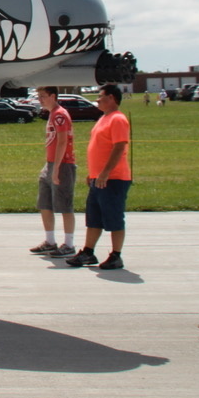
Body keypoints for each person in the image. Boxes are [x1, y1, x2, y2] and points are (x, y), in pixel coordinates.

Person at [67, 84, 131, 270]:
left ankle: (116, 255)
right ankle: (88, 252)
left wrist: (105, 173)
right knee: (94, 217)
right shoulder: (104, 118)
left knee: (114, 218)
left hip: (113, 179)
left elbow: (119, 147)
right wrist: (93, 174)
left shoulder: (118, 119)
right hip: (98, 178)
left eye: (101, 96)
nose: (97, 99)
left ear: (111, 98)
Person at [29, 86, 76, 257]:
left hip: (62, 164)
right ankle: (50, 241)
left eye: (43, 96)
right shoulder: (52, 114)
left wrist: (56, 169)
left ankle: (69, 244)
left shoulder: (60, 114)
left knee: (64, 205)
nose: (40, 99)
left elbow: (63, 142)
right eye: (39, 96)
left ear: (53, 96)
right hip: (50, 164)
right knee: (45, 203)